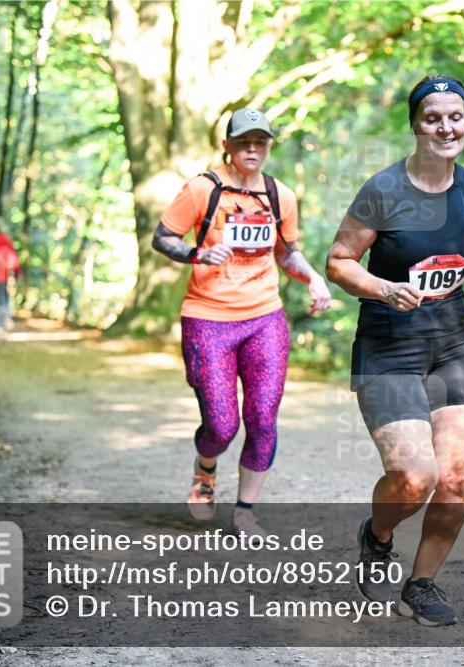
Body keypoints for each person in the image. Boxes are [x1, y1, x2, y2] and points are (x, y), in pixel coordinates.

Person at [325, 75, 464, 626]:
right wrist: (385, 288)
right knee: (414, 477)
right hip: (389, 345)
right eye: (433, 117)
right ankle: (378, 533)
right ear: (415, 124)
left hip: (455, 343)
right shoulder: (383, 190)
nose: (446, 127)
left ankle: (422, 583)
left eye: (456, 116)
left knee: (456, 478)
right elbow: (338, 262)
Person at [153, 108, 332, 537]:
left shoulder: (279, 195)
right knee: (221, 424)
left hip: (263, 317)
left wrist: (314, 278)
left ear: (269, 146)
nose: (252, 149)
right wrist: (197, 254)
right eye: (244, 142)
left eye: (261, 142)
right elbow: (163, 237)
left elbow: (286, 252)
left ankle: (245, 508)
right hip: (208, 318)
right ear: (227, 146)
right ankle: (206, 467)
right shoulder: (202, 189)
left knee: (263, 418)